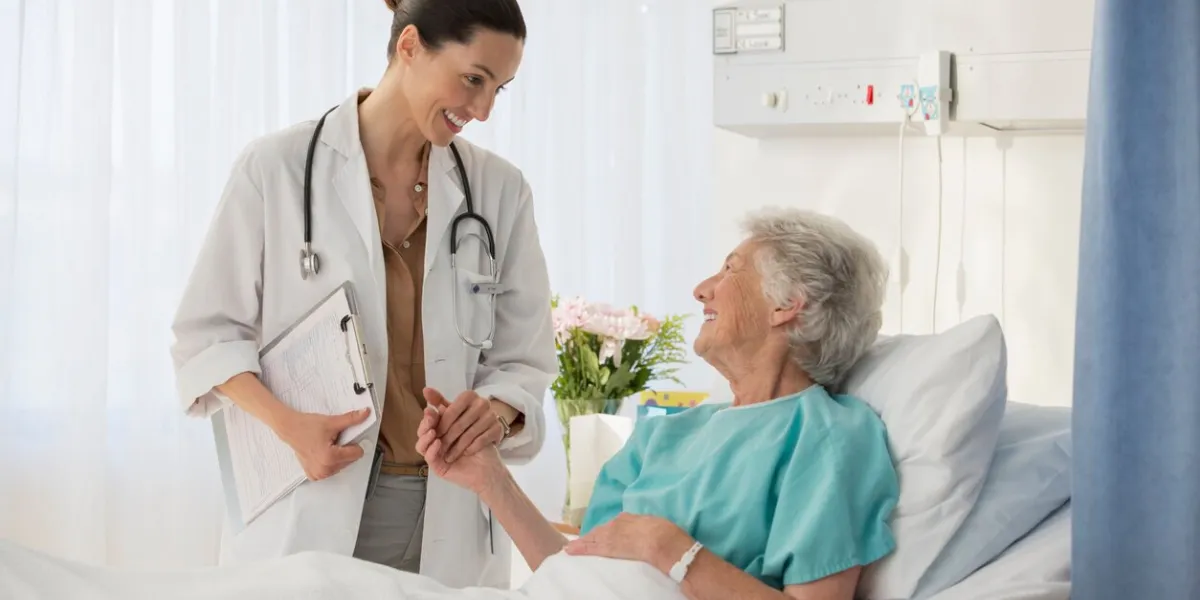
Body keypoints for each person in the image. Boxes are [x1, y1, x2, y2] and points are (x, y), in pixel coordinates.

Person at [169, 0, 555, 588]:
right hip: (317, 497)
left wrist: (495, 416)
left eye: (499, 89)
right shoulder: (276, 169)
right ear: (408, 47)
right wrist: (287, 424)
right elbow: (207, 336)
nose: (481, 109)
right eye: (473, 79)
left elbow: (524, 360)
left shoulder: (500, 191)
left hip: (448, 510)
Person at [418, 207, 900, 599]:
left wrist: (671, 548)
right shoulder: (669, 433)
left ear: (787, 304)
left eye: (731, 270)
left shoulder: (829, 437)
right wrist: (491, 478)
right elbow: (575, 571)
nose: (702, 290)